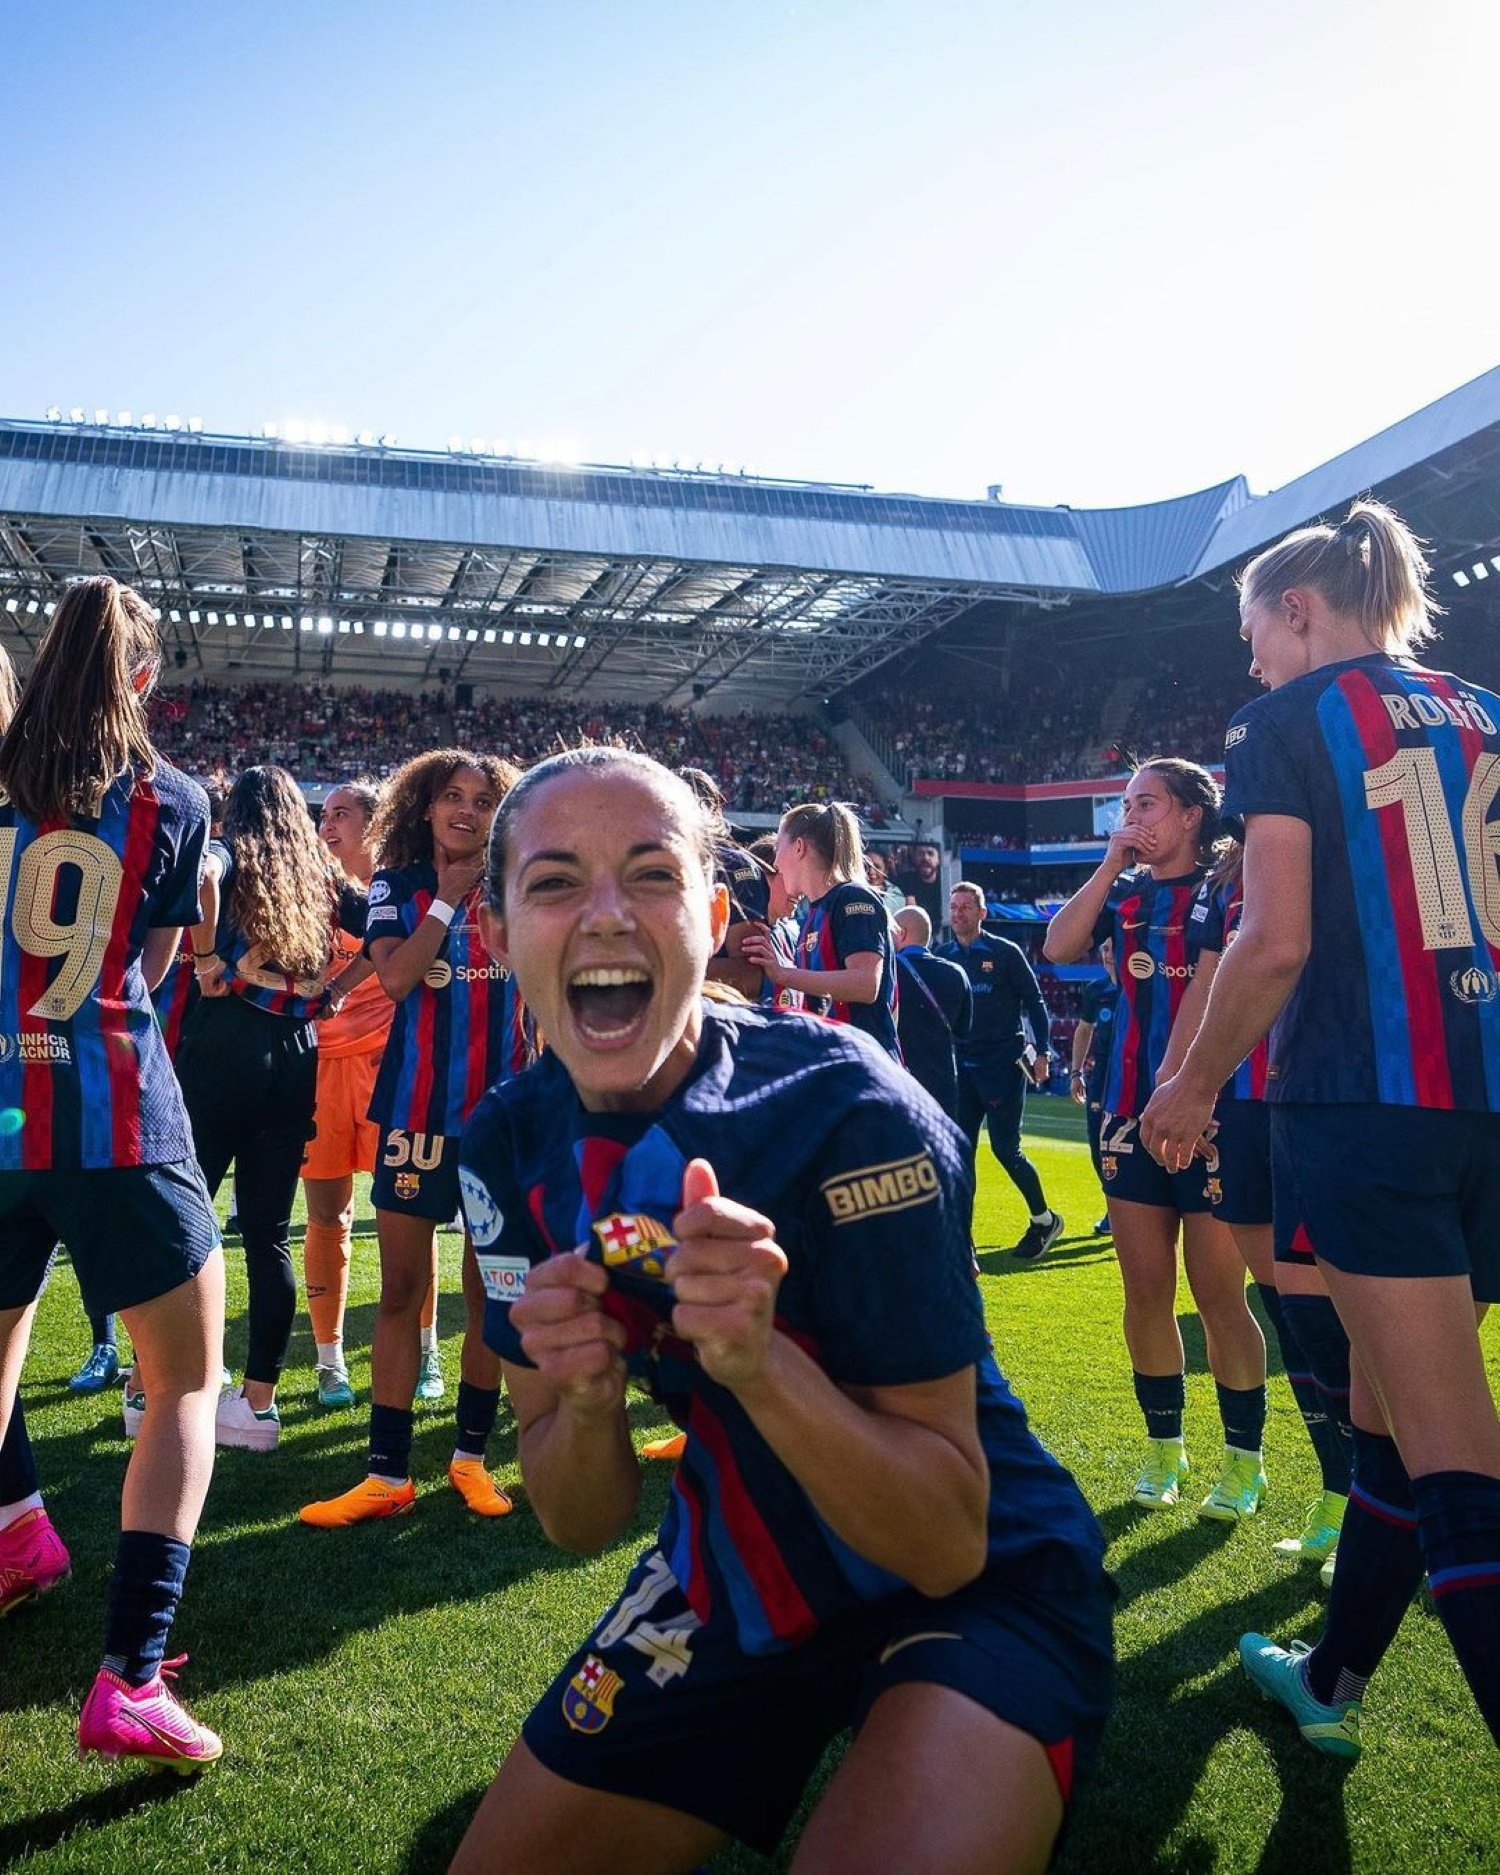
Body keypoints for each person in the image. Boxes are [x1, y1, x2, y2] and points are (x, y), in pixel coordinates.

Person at [450, 748, 1113, 1875]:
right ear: (497, 935)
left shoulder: (850, 1108)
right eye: (555, 883)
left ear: (714, 918)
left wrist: (764, 1365)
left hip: (989, 1575)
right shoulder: (509, 1146)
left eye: (652, 877)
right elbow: (577, 1517)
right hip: (727, 1569)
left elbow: (946, 1539)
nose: (607, 915)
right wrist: (591, 1394)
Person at [1141, 499, 1500, 1756]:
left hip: (1367, 1105)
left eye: (1254, 634)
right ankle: (1332, 1680)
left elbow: (1274, 935)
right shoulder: (1480, 709)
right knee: (1394, 1431)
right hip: (1484, 1105)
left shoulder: (1283, 722)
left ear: (1299, 610)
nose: (1250, 662)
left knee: (1459, 1469)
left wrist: (1187, 1085)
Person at [0, 576, 224, 1766]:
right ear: (140, 677)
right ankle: (132, 1677)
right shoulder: (173, 797)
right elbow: (151, 964)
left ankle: (11, 1543)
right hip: (117, 1118)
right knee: (184, 1383)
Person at [300, 749, 526, 1528]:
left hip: (502, 1120)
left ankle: (470, 1457)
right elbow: (394, 978)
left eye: (485, 799)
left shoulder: (521, 885)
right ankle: (387, 1472)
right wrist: (446, 905)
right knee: (400, 1291)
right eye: (452, 796)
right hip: (417, 1116)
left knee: (489, 1297)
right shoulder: (398, 884)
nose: (467, 810)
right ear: (425, 808)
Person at [1045, 761, 1270, 1521]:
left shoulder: (1231, 886)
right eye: (1127, 804)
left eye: (1146, 804)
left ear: (1188, 817)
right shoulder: (1130, 893)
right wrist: (1111, 861)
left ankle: (1244, 1461)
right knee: (1145, 1290)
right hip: (1125, 1112)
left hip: (1210, 1114)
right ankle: (1163, 1450)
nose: (1131, 815)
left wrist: (1189, 1087)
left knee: (1217, 1294)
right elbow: (1058, 945)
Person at [1162, 846, 1352, 1571]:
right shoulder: (1228, 878)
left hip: (1316, 1093)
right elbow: (1208, 985)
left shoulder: (1328, 843)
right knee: (1289, 1311)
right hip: (1238, 1105)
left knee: (1340, 1306)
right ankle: (1339, 1491)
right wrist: (1179, 1084)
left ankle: (1377, 1497)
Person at [168, 765, 367, 1451]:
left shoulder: (232, 851)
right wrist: (336, 987)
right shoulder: (326, 877)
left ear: (240, 811)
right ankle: (257, 1405)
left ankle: (148, 1383)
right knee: (267, 1233)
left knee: (183, 1215)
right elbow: (384, 928)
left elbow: (200, 879)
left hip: (224, 1046)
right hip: (296, 1055)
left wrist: (202, 962)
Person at [298, 780, 402, 1410]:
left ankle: (426, 1355)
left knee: (402, 1217)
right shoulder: (305, 897)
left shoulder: (404, 886)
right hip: (322, 1068)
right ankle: (329, 1360)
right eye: (323, 815)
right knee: (327, 1216)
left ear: (373, 823)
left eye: (341, 814)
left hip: (391, 1063)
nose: (327, 825)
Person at [939, 883, 1063, 1260]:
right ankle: (962, 1236)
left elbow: (1035, 1003)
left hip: (1002, 1066)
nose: (958, 913)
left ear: (982, 912)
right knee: (959, 1152)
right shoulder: (942, 956)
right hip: (961, 1067)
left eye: (965, 907)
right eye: (954, 907)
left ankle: (1044, 1220)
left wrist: (1042, 1051)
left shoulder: (1005, 953)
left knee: (1006, 1149)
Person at [741, 801, 901, 1061]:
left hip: (865, 1065)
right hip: (832, 1062)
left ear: (800, 847)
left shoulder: (852, 897)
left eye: (777, 848)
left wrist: (783, 974)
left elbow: (865, 984)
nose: (776, 861)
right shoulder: (813, 914)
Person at [892, 905, 972, 1118]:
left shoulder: (888, 971)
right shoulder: (956, 973)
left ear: (901, 933)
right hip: (943, 1080)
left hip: (900, 1078)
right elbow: (963, 1031)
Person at [1070, 938, 1118, 1235]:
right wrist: (1076, 1072)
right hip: (1102, 1078)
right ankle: (1113, 1208)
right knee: (1098, 1146)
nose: (1108, 955)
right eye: (1104, 950)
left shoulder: (1141, 985)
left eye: (1113, 949)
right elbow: (1084, 1029)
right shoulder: (1096, 991)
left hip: (1138, 1076)